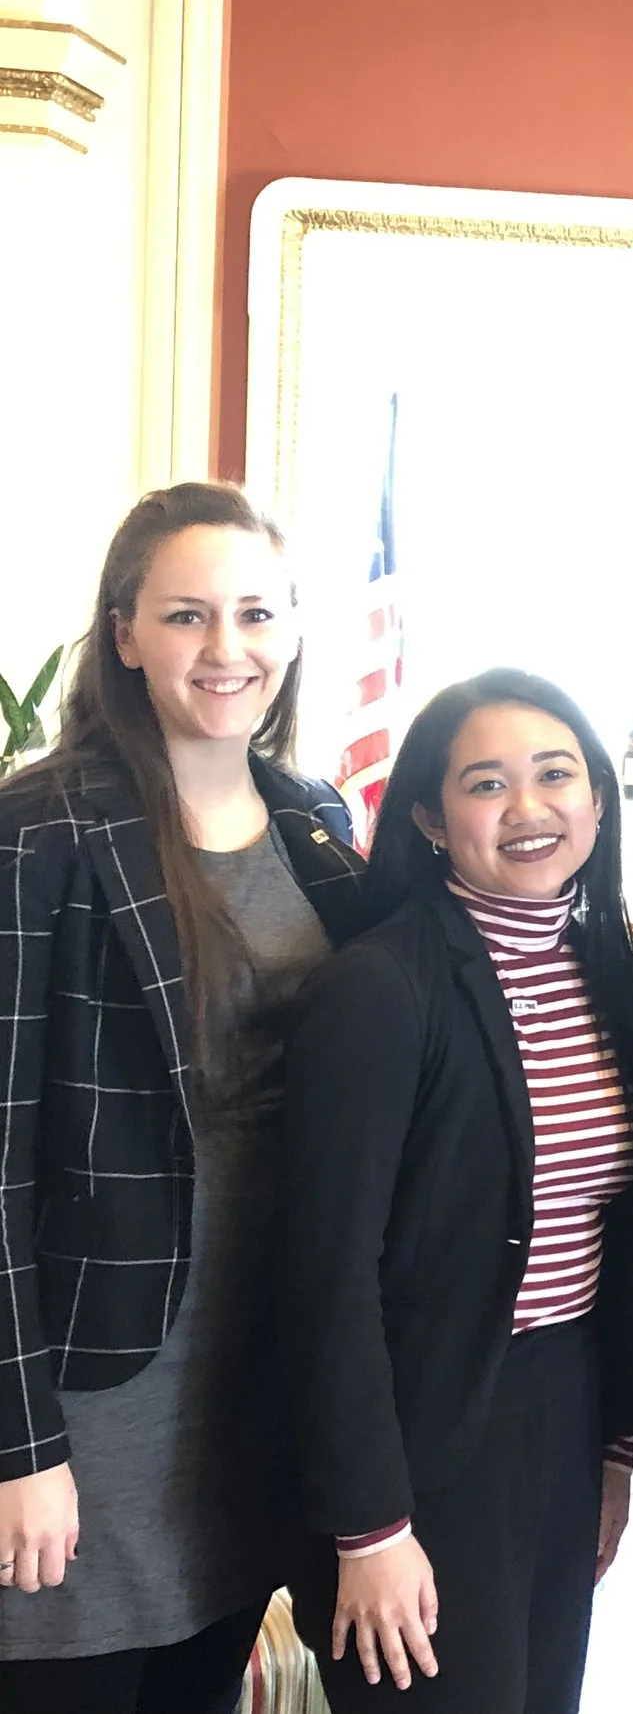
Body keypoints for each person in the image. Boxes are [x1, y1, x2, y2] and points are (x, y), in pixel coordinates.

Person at [0, 483, 365, 1710]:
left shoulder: (318, 827)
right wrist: (19, 1448)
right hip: (87, 1393)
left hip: (247, 1384)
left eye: (256, 614)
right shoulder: (34, 831)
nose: (227, 650)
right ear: (123, 634)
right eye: (188, 616)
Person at [281, 670, 633, 1712]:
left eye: (555, 775)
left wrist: (616, 1450)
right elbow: (324, 1278)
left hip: (562, 1409)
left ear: (596, 797)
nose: (528, 809)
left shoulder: (609, 973)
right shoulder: (379, 990)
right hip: (422, 1437)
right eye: (486, 785)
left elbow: (619, 1241)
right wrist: (370, 1526)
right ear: (430, 821)